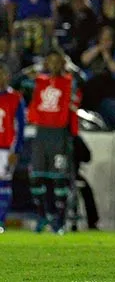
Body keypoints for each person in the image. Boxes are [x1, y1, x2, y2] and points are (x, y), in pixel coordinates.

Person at [28, 49, 79, 233]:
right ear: (47, 63)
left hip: (59, 134)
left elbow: (82, 82)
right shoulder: (39, 81)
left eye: (58, 62)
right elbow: (17, 81)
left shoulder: (69, 81)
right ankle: (42, 216)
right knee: (36, 178)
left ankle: (60, 219)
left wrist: (72, 67)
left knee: (59, 180)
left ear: (63, 63)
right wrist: (34, 69)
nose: (54, 65)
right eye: (51, 62)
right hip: (41, 133)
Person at [0, 64, 26, 233]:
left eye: (2, 74)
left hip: (5, 148)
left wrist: (15, 151)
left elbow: (20, 127)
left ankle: (1, 220)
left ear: (8, 77)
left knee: (4, 184)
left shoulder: (15, 98)